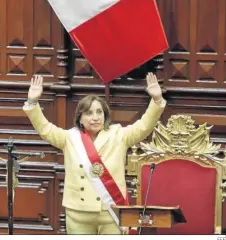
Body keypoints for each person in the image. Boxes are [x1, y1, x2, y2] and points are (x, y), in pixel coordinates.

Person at [23, 73, 166, 234]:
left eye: (99, 112)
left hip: (111, 213)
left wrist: (156, 100)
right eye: (89, 113)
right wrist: (33, 102)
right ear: (80, 118)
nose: (95, 117)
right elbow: (45, 129)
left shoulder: (119, 135)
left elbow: (144, 126)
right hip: (78, 213)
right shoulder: (70, 137)